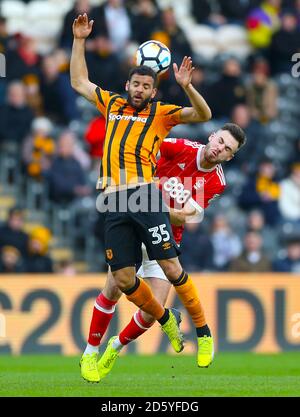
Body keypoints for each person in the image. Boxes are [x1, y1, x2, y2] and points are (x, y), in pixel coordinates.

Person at [70, 13, 213, 379]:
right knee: (120, 279)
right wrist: (80, 40)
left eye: (145, 87)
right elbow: (79, 82)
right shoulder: (112, 105)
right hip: (114, 199)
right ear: (128, 84)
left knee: (170, 267)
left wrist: (186, 86)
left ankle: (203, 333)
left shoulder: (162, 115)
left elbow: (203, 113)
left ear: (153, 91)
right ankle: (162, 319)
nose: (138, 90)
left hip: (146, 196)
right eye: (134, 85)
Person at [81, 124, 246, 382]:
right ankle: (90, 351)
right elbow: (143, 154)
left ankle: (115, 347)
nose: (219, 149)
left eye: (227, 149)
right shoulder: (179, 147)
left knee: (151, 312)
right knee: (113, 290)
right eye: (220, 141)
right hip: (135, 229)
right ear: (212, 136)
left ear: (229, 157)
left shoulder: (216, 182)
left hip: (164, 238)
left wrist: (147, 204)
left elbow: (182, 218)